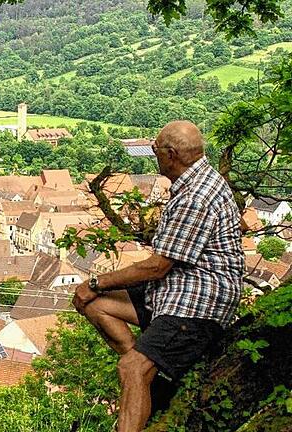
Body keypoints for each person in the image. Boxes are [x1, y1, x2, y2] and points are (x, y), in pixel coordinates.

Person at [72, 120, 245, 432]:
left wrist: (96, 281)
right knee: (95, 304)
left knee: (131, 368)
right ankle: (152, 380)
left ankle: (141, 382)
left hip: (197, 305)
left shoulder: (196, 196)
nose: (153, 155)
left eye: (155, 150)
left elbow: (157, 267)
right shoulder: (198, 181)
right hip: (174, 291)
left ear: (171, 154)